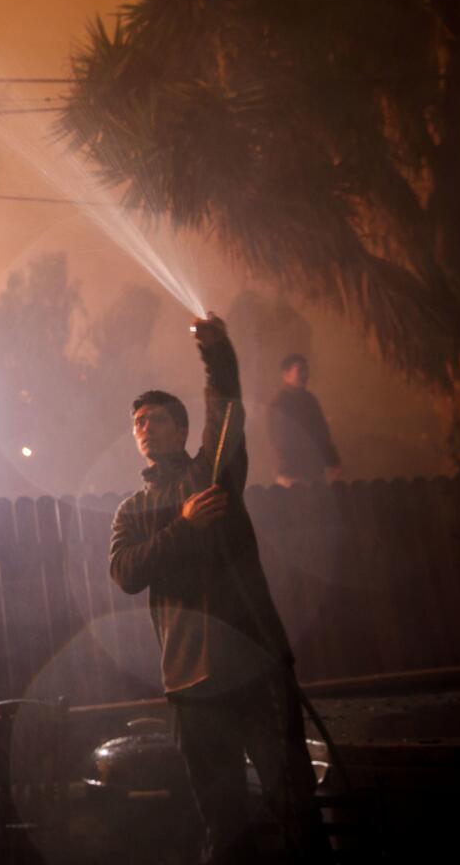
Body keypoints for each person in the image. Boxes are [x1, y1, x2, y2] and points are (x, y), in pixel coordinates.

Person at [110, 315, 328, 864]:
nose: (145, 428)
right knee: (221, 819)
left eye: (157, 419)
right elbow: (126, 572)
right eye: (138, 422)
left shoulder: (213, 474)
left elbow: (227, 411)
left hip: (255, 665)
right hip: (189, 684)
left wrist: (216, 353)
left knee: (294, 806)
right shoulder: (132, 511)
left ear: (181, 431)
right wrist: (185, 526)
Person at [267, 354, 341, 486]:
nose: (305, 375)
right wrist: (290, 470)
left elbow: (322, 433)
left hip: (314, 472)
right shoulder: (279, 404)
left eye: (306, 370)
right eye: (300, 370)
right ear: (286, 374)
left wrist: (333, 461)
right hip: (292, 475)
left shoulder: (310, 400)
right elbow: (281, 442)